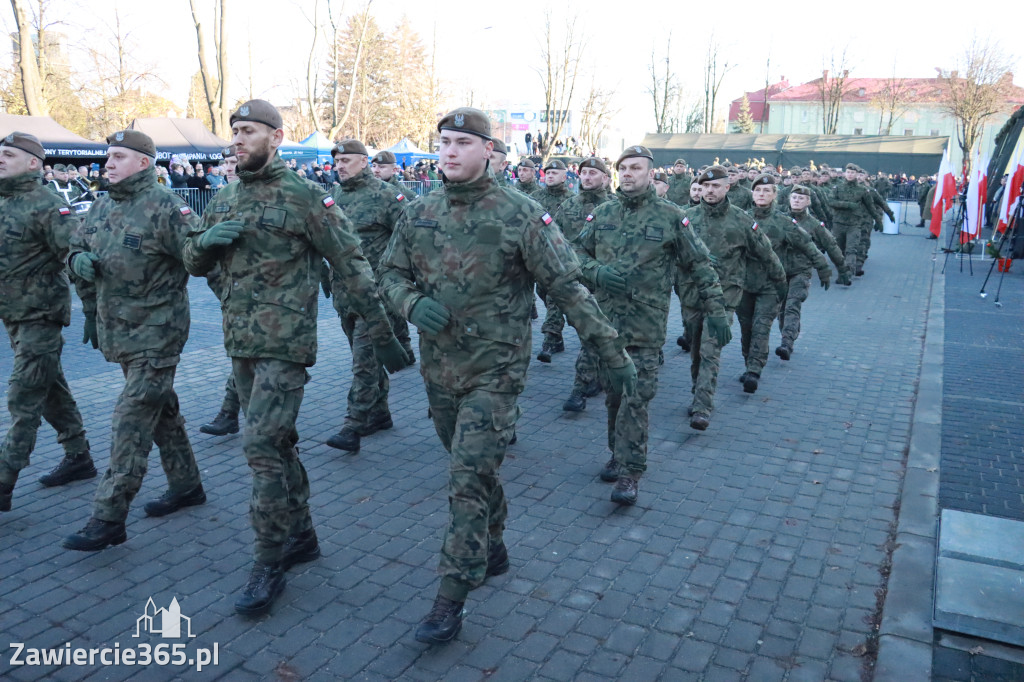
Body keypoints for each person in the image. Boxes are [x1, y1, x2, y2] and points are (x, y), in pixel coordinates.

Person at [378, 107, 637, 645]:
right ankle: (492, 543)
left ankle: (451, 595)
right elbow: (389, 272)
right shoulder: (420, 209)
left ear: (489, 152)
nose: (449, 151)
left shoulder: (521, 214)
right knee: (466, 464)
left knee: (466, 477)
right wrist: (409, 303)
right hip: (439, 367)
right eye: (443, 142)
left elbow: (567, 287)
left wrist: (612, 353)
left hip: (497, 369)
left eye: (462, 143)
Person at [182, 100, 407, 616]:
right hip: (239, 341)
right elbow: (195, 260)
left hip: (286, 343)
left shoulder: (307, 197)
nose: (237, 139)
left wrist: (383, 330)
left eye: (249, 131)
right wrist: (206, 243)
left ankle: (267, 560)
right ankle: (301, 534)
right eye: (234, 131)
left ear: (276, 138)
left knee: (258, 443)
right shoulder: (226, 196)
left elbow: (351, 264)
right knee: (278, 444)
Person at [62, 130, 205, 552]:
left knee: (131, 418)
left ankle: (108, 515)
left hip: (159, 333)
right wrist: (78, 263)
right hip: (119, 330)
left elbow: (201, 257)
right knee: (162, 411)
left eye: (118, 157)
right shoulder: (102, 205)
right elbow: (74, 248)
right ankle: (187, 485)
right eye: (108, 156)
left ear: (143, 163)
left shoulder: (168, 207)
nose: (108, 164)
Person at [575, 146, 727, 503]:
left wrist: (716, 309)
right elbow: (575, 253)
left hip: (646, 328)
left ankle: (631, 472)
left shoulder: (672, 216)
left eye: (636, 168)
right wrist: (596, 271)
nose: (627, 173)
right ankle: (617, 453)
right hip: (605, 324)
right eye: (623, 168)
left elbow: (700, 264)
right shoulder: (603, 213)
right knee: (614, 397)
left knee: (635, 399)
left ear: (649, 173)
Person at [0, 133, 96, 513]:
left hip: (41, 314)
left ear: (33, 164)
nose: (0, 160)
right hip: (13, 315)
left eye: (8, 155)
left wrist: (91, 308)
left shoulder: (48, 204)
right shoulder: (3, 201)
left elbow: (75, 254)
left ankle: (5, 478)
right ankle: (79, 456)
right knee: (49, 388)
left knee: (23, 396)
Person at [324, 139, 413, 452]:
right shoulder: (332, 196)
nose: (340, 166)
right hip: (344, 293)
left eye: (347, 160)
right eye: (337, 161)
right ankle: (380, 413)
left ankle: (354, 424)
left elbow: (410, 239)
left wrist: (402, 282)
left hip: (377, 294)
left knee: (363, 361)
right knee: (367, 358)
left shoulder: (387, 196)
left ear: (364, 161)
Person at [681, 165, 785, 430]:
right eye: (705, 186)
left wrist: (781, 282)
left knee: (710, 349)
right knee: (695, 348)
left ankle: (703, 406)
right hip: (693, 295)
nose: (709, 191)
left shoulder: (741, 220)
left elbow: (766, 253)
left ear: (727, 187)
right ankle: (697, 392)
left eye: (715, 186)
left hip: (725, 296)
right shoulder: (687, 218)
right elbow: (671, 255)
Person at [736, 175, 832, 392]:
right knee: (747, 328)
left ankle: (754, 369)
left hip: (770, 286)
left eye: (767, 191)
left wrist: (823, 268)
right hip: (744, 284)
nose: (762, 194)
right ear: (752, 194)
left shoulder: (783, 222)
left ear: (775, 195)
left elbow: (807, 245)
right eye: (758, 190)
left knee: (761, 327)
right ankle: (748, 364)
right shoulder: (740, 219)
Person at [555, 157, 614, 412]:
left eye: (593, 173)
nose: (587, 177)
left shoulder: (615, 207)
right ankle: (596, 376)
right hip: (575, 278)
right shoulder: (568, 206)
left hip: (605, 281)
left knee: (592, 335)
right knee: (587, 334)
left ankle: (579, 389)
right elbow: (553, 239)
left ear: (605, 178)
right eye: (583, 173)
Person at [199, 146, 243, 437]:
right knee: (241, 355)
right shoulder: (219, 199)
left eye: (234, 161)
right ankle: (229, 413)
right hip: (232, 295)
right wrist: (222, 289)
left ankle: (229, 413)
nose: (228, 167)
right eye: (225, 162)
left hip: (270, 298)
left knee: (245, 357)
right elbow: (199, 249)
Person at [780, 185, 852, 359]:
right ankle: (789, 334)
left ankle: (786, 343)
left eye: (801, 198)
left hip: (801, 271)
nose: (797, 200)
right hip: (778, 272)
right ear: (789, 199)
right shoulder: (779, 219)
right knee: (782, 310)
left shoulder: (814, 225)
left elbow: (831, 246)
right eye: (794, 197)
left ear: (808, 202)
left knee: (792, 305)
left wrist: (842, 269)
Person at [534, 159, 574, 363]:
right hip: (537, 255)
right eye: (547, 172)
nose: (549, 175)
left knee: (553, 297)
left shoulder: (571, 200)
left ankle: (549, 340)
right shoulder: (535, 198)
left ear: (564, 176)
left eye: (554, 172)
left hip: (560, 257)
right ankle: (557, 337)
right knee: (542, 292)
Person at [827, 163, 875, 276]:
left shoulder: (863, 190)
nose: (850, 174)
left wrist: (878, 219)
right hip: (839, 223)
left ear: (857, 174)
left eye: (852, 172)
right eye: (848, 172)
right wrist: (848, 205)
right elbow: (830, 202)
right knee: (839, 250)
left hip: (854, 224)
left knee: (851, 249)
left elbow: (871, 206)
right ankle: (842, 271)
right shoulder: (838, 188)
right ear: (844, 174)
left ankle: (848, 273)